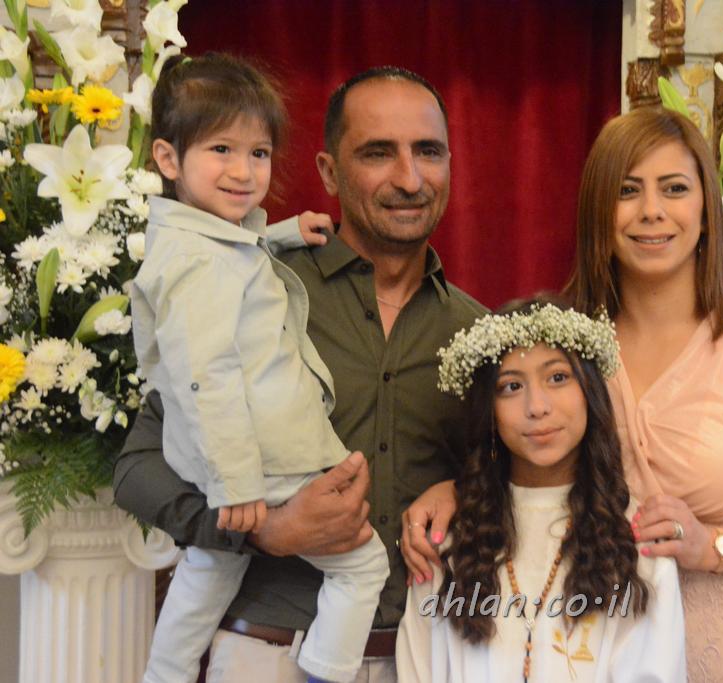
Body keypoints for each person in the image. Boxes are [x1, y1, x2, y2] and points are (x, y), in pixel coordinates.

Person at [403, 106, 723, 682]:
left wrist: (713, 546)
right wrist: (456, 490)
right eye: (627, 190)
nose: (651, 211)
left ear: (706, 208)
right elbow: (522, 449)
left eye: (674, 189)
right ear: (600, 210)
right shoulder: (563, 345)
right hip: (594, 646)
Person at [115, 66, 486, 683]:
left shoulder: (479, 333)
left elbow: (525, 484)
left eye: (428, 151)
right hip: (265, 654)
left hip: (428, 658)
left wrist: (462, 487)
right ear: (329, 172)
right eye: (378, 153)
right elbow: (137, 469)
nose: (409, 178)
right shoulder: (258, 290)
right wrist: (262, 531)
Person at [131, 53, 389, 683]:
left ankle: (164, 673)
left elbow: (236, 257)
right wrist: (238, 482)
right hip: (255, 458)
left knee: (210, 566)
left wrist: (284, 232)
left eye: (259, 153)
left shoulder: (197, 241)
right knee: (364, 566)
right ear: (168, 159)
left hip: (216, 458)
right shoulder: (196, 265)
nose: (244, 171)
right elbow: (206, 375)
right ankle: (327, 671)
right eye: (221, 149)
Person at [396, 298, 685, 682]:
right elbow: (418, 668)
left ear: (589, 391)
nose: (537, 406)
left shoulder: (637, 537)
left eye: (557, 378)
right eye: (512, 386)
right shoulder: (450, 536)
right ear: (490, 411)